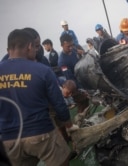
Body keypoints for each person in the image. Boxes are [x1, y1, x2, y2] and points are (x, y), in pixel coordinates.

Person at [0, 29, 78, 166]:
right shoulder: (41, 70)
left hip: (9, 138)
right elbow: (58, 102)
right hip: (41, 132)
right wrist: (69, 124)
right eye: (35, 47)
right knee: (62, 160)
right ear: (29, 46)